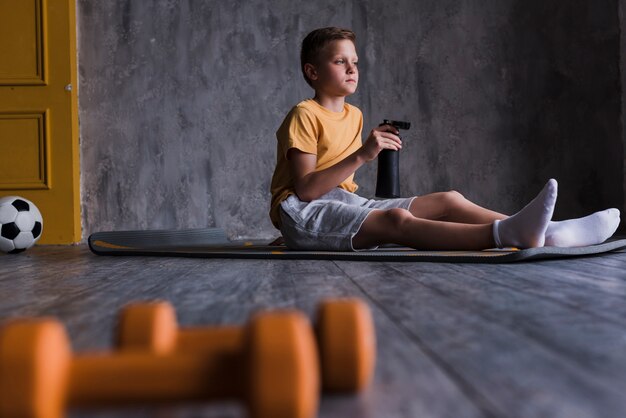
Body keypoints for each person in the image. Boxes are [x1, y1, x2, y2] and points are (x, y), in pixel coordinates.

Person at [269, 27, 620, 251]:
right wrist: (363, 155)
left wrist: (369, 150)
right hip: (301, 213)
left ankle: (553, 233)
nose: (351, 69)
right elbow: (306, 191)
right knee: (396, 222)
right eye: (339, 61)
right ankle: (506, 235)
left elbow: (339, 188)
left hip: (343, 203)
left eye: (355, 61)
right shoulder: (304, 114)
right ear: (312, 72)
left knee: (449, 200)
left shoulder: (355, 115)